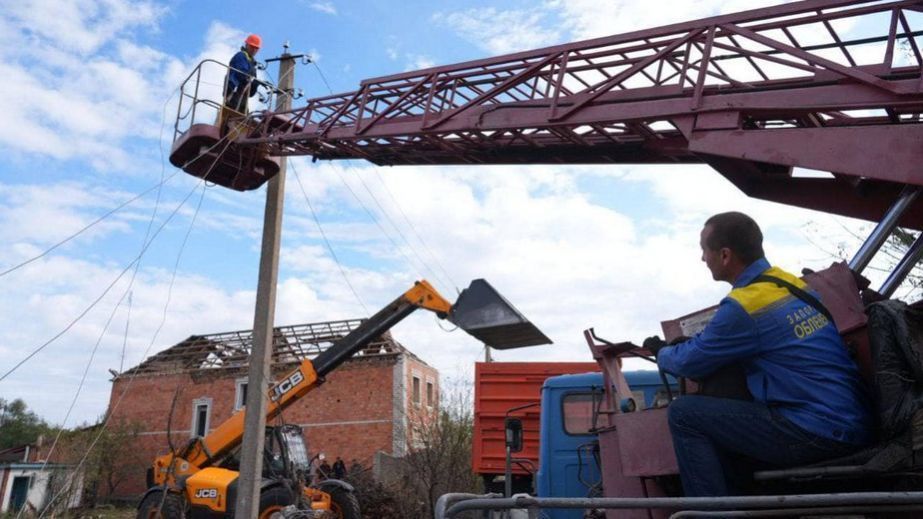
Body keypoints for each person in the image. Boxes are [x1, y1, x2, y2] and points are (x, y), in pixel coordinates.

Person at [643, 211, 872, 497]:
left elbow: (689, 363)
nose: (702, 258)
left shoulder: (744, 306)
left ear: (725, 255)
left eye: (704, 250)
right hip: (852, 419)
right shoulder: (792, 285)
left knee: (683, 414)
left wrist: (663, 353)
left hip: (815, 429)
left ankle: (710, 516)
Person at [225, 34, 262, 115]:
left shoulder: (252, 64)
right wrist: (251, 80)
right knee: (232, 115)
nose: (254, 50)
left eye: (256, 48)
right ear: (247, 45)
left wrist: (256, 84)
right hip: (233, 95)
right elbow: (241, 73)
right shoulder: (241, 56)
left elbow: (251, 93)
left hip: (242, 99)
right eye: (252, 46)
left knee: (244, 119)